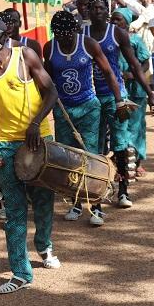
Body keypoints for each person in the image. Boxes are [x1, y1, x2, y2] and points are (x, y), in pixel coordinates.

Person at [0, 19, 59, 293]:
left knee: (44, 200)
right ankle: (21, 273)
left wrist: (35, 124)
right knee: (14, 210)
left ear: (4, 35)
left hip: (38, 141)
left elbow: (51, 92)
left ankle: (44, 245)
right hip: (6, 145)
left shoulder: (26, 56)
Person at [43, 11, 125, 226]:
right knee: (68, 157)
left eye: (67, 35)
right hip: (63, 109)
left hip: (88, 106)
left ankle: (96, 206)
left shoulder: (88, 44)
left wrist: (119, 100)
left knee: (89, 154)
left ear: (74, 31)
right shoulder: (50, 48)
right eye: (59, 35)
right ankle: (76, 203)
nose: (64, 39)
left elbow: (108, 73)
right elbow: (47, 80)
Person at [85, 0, 154, 209]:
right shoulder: (82, 35)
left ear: (107, 11)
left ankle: (124, 191)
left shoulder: (116, 33)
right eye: (93, 8)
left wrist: (150, 92)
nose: (97, 11)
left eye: (101, 8)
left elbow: (135, 65)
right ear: (88, 12)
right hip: (91, 97)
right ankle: (97, 194)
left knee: (121, 143)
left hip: (115, 95)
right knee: (94, 147)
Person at [112, 8, 150, 175]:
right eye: (112, 19)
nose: (114, 23)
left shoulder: (135, 41)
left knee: (136, 126)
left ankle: (137, 161)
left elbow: (145, 63)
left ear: (126, 23)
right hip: (118, 90)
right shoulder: (109, 41)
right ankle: (121, 161)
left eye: (118, 20)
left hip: (136, 90)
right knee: (120, 126)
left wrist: (132, 74)